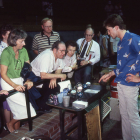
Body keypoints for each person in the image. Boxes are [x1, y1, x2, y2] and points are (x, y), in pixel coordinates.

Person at [99, 14, 140, 140]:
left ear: (116, 27)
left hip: (130, 85)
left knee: (133, 117)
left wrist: (139, 78)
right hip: (121, 83)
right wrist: (110, 74)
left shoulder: (133, 38)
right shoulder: (121, 42)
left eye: (109, 30)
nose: (108, 33)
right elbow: (122, 66)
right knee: (124, 115)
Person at [1, 29, 36, 133]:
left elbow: (27, 68)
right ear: (14, 40)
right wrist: (14, 85)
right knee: (29, 110)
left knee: (18, 110)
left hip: (20, 80)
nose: (24, 44)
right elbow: (3, 73)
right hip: (8, 82)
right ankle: (10, 123)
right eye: (22, 41)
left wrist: (29, 80)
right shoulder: (6, 53)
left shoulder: (23, 51)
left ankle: (17, 133)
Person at [31, 41, 66, 112]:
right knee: (53, 86)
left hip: (43, 78)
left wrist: (54, 77)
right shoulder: (47, 56)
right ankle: (41, 107)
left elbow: (59, 68)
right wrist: (57, 76)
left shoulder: (59, 55)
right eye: (62, 51)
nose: (64, 53)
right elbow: (43, 75)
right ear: (55, 50)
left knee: (56, 84)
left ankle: (48, 105)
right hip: (33, 79)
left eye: (64, 51)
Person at [0, 24, 13, 130]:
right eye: (9, 34)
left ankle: (14, 123)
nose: (11, 36)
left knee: (14, 101)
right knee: (7, 102)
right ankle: (7, 125)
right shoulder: (1, 49)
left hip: (13, 77)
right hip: (3, 77)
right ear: (3, 35)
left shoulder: (12, 47)